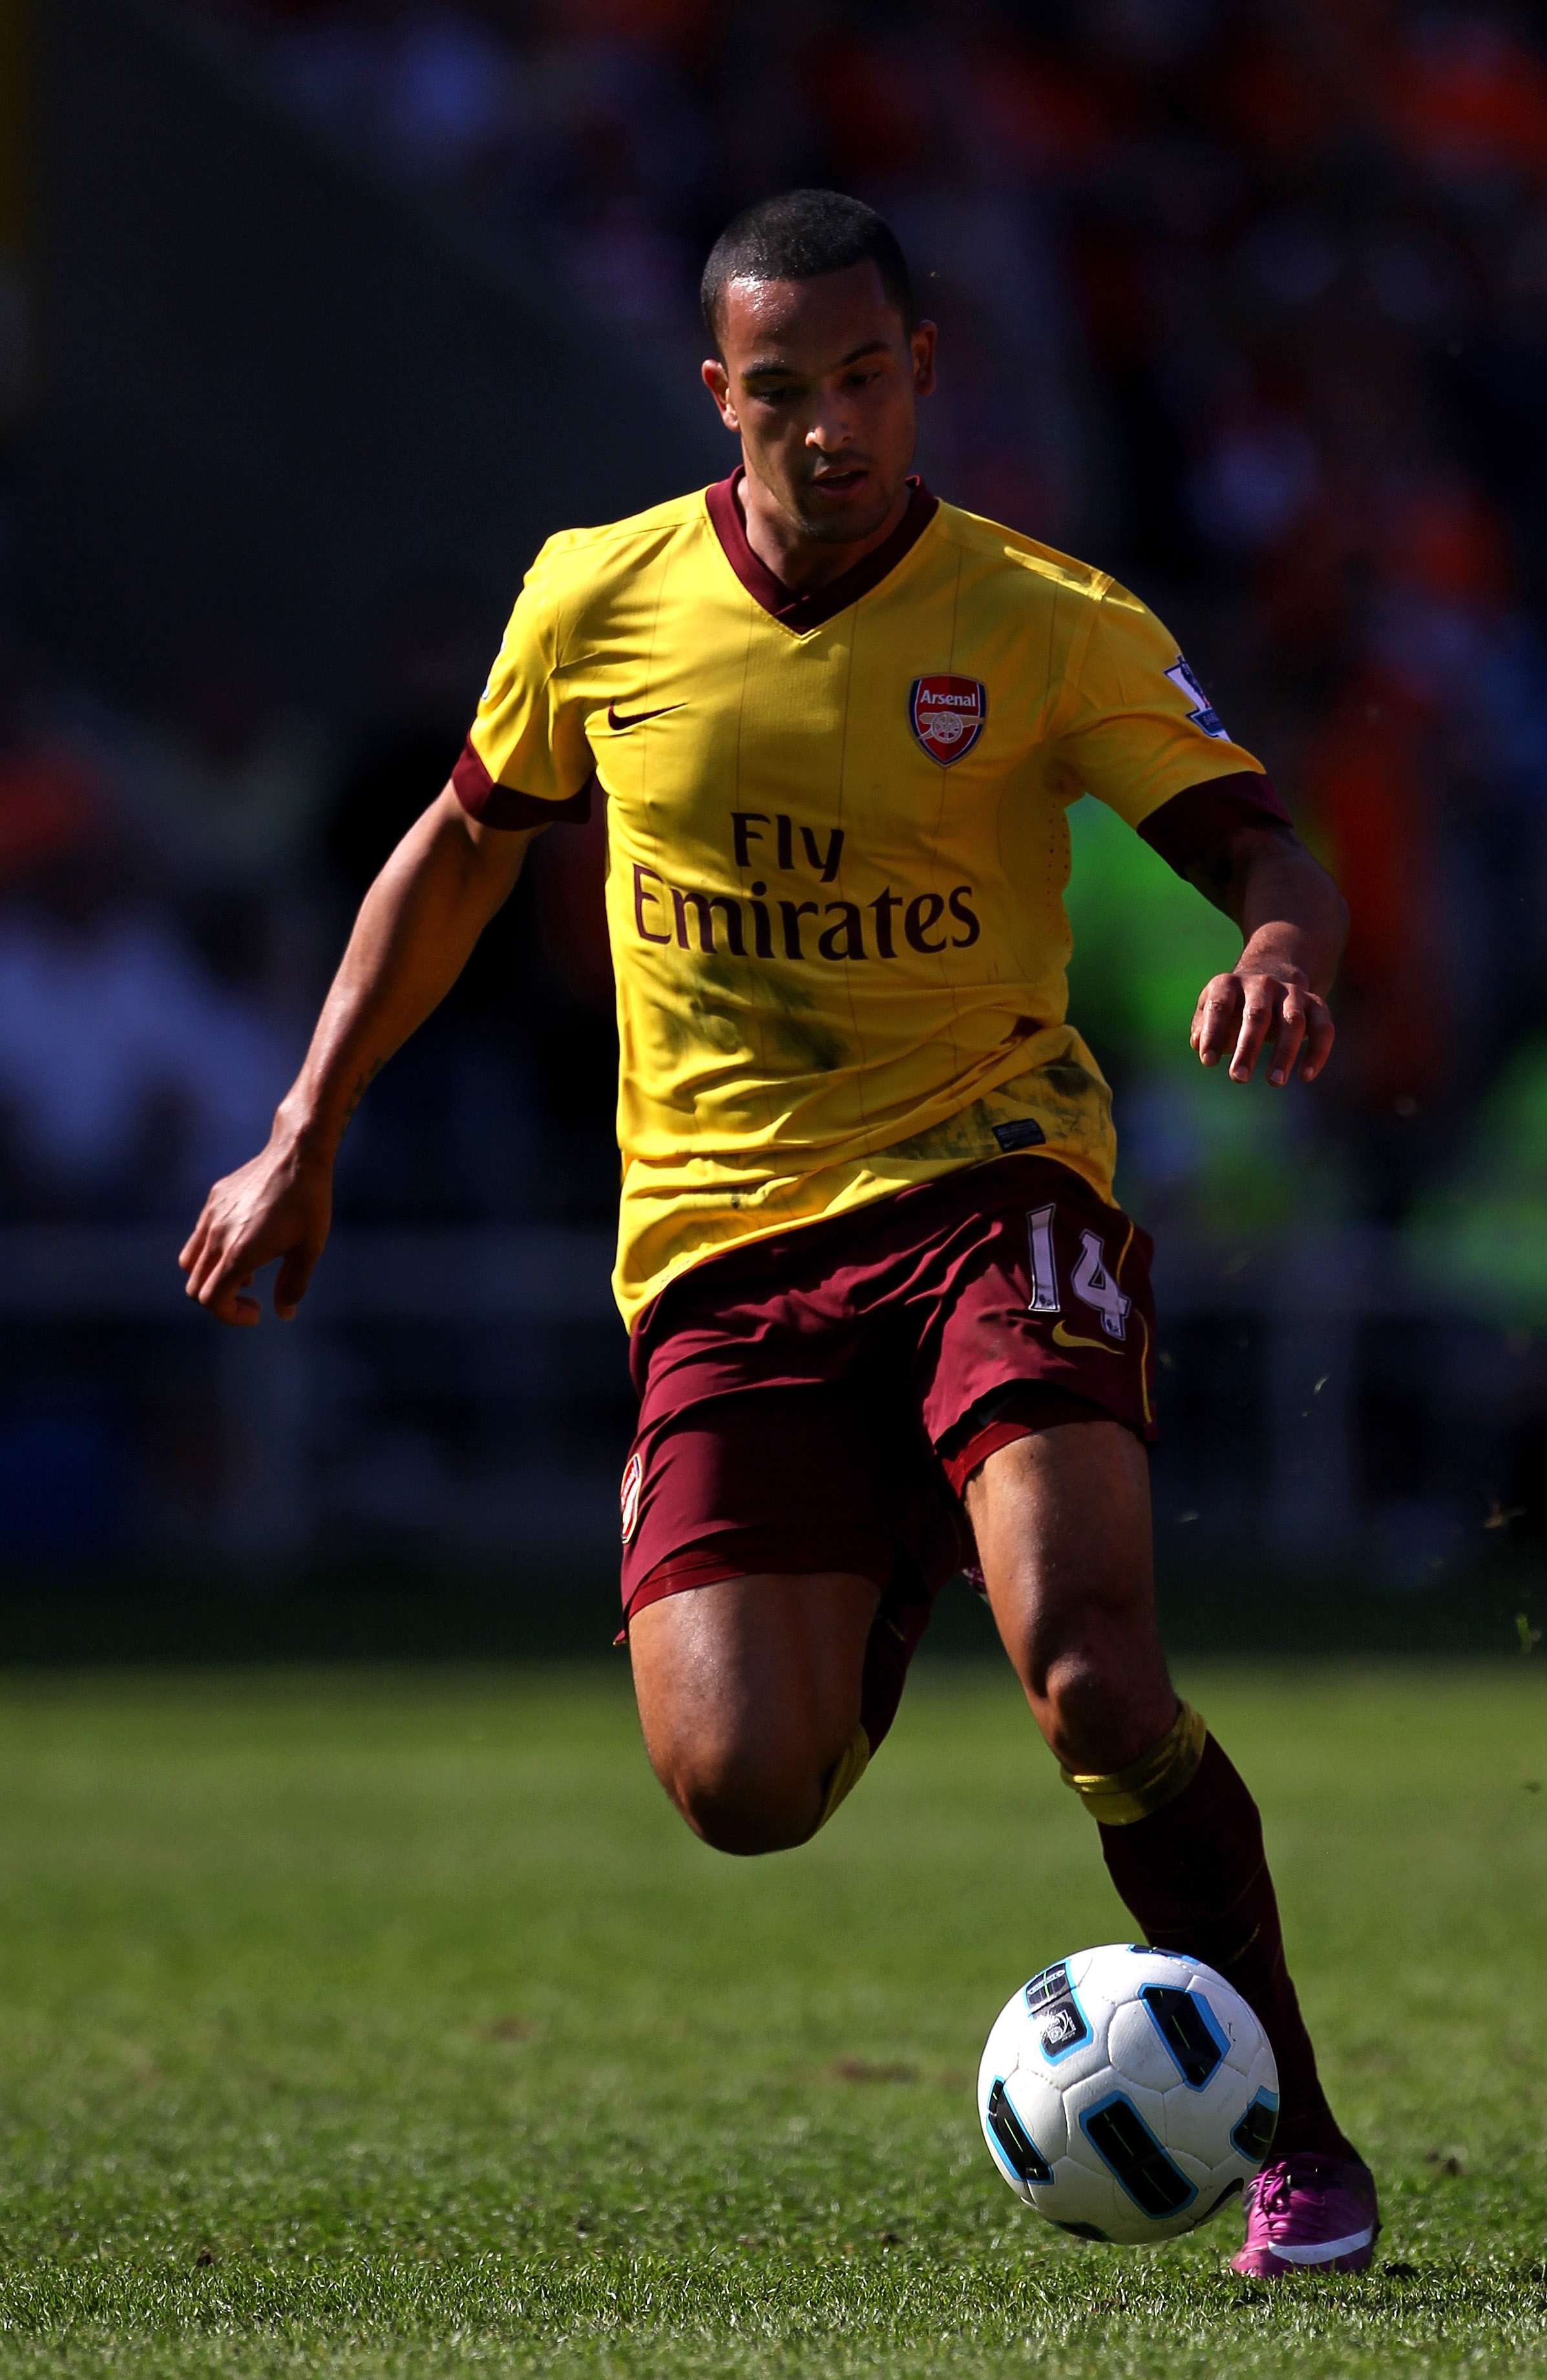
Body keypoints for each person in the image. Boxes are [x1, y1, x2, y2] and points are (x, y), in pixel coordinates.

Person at [180, 191, 1373, 2277]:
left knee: (1092, 1678)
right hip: (723, 1246)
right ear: (716, 391)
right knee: (743, 1785)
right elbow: (456, 856)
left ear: (923, 372)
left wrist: (1276, 944)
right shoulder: (598, 599)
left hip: (991, 1181)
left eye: (864, 379)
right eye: (783, 389)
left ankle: (1299, 2133)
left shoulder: (1039, 616)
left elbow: (1260, 838)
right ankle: (915, 1513)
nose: (828, 427)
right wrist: (302, 1128)